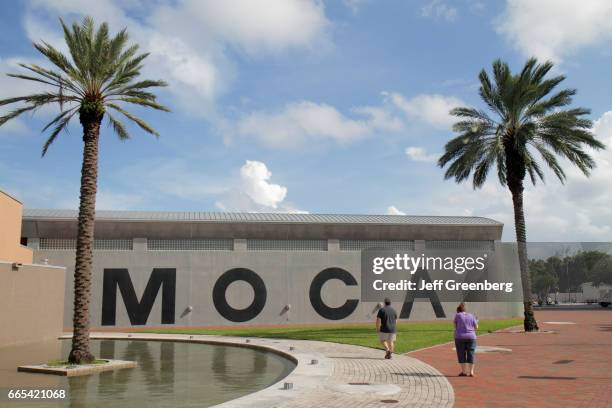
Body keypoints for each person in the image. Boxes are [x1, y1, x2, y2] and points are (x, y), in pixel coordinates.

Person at [454, 302, 478, 377]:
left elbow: (455, 326)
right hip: (471, 337)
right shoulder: (471, 315)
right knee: (471, 353)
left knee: (461, 354)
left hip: (460, 337)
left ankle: (464, 372)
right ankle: (471, 372)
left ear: (458, 311)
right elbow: (476, 327)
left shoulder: (457, 315)